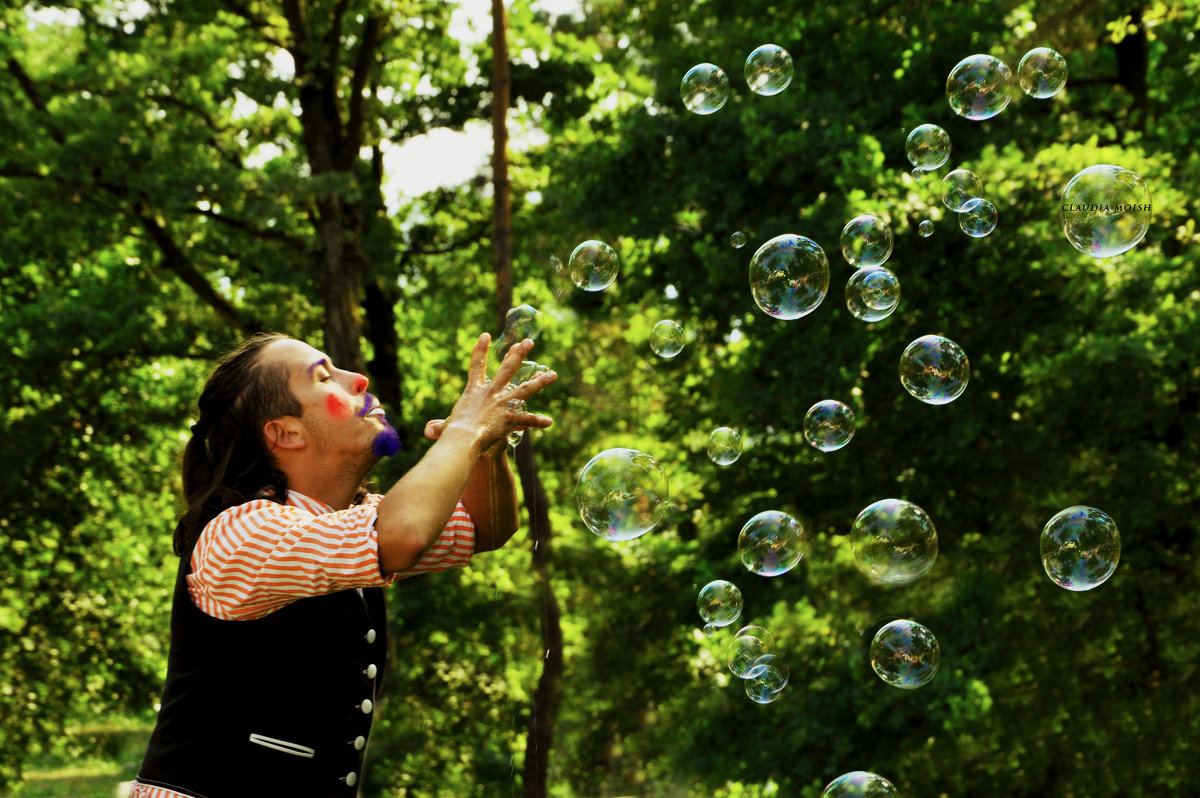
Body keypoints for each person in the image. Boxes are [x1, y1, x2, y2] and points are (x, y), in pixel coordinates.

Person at [128, 331, 556, 797]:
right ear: (285, 432)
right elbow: (405, 533)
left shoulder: (350, 522)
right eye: (324, 376)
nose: (359, 379)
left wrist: (485, 446)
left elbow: (486, 524)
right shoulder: (238, 534)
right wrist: (463, 431)